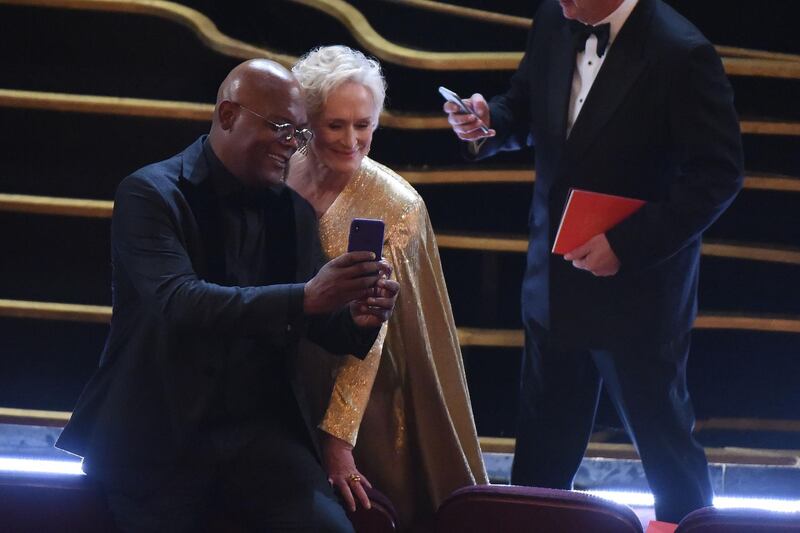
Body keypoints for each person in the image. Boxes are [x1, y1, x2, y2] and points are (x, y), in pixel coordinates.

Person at [56, 58, 400, 533]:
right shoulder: (150, 194)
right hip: (159, 438)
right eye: (281, 127)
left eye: (299, 133)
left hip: (261, 438)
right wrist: (306, 297)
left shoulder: (293, 211)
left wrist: (359, 318)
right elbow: (179, 303)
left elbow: (320, 319)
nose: (291, 146)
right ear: (228, 115)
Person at [444, 0, 743, 523]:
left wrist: (627, 245)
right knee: (540, 456)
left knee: (665, 447)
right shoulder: (554, 20)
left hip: (638, 291)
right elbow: (527, 107)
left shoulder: (682, 51)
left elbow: (717, 175)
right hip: (553, 282)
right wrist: (490, 121)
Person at [286, 45, 488, 530]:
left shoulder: (395, 205)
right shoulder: (281, 170)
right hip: (283, 373)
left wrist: (338, 442)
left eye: (365, 124)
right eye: (336, 125)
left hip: (362, 396)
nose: (352, 140)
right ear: (308, 120)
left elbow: (371, 338)